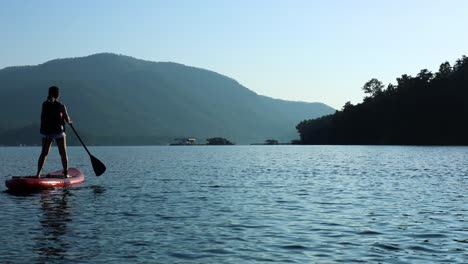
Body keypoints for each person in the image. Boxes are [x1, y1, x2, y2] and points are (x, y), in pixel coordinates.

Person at [36, 86, 72, 178]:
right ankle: (66, 173)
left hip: (46, 132)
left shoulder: (44, 104)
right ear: (58, 94)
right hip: (58, 132)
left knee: (44, 153)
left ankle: (38, 174)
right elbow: (67, 119)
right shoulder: (61, 106)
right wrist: (70, 122)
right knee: (63, 153)